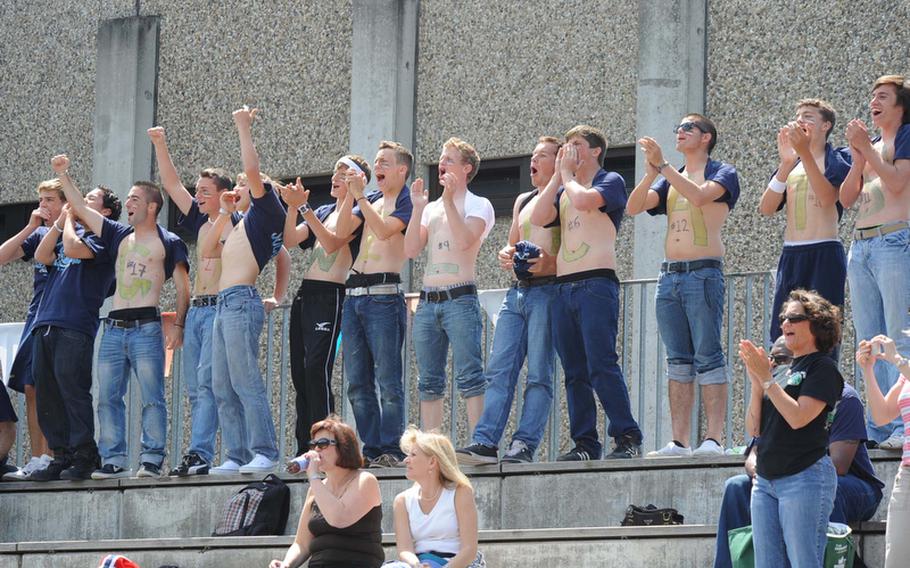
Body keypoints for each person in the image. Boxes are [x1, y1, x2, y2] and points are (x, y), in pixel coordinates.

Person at [51, 154, 190, 479]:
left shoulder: (169, 241)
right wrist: (64, 175)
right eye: (127, 199)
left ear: (152, 207)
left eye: (135, 199)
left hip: (146, 326)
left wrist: (180, 325)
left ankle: (152, 460)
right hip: (112, 327)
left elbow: (184, 288)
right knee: (109, 398)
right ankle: (113, 460)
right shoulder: (116, 234)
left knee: (152, 398)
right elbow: (82, 209)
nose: (128, 203)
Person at [714, 339, 883, 568]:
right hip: (781, 476)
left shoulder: (844, 396)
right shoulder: (774, 396)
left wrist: (789, 476)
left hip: (853, 485)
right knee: (736, 487)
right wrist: (758, 468)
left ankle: (842, 561)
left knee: (821, 485)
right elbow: (755, 448)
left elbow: (840, 465)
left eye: (782, 360)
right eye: (771, 361)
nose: (773, 367)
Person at [627, 113, 740, 457]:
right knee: (677, 360)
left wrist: (663, 168)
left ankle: (714, 438)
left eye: (688, 128)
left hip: (703, 273)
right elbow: (633, 207)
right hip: (670, 275)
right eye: (678, 128)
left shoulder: (723, 172)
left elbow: (700, 196)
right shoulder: (668, 177)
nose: (680, 132)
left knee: (708, 355)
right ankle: (679, 440)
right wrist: (650, 173)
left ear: (706, 137)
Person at [529, 125, 643, 460]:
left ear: (594, 151)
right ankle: (584, 443)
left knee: (601, 364)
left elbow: (585, 200)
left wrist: (565, 173)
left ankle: (627, 435)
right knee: (574, 372)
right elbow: (538, 216)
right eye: (566, 145)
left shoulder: (609, 181)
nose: (569, 149)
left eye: (576, 144)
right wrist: (557, 177)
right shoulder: (564, 188)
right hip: (564, 288)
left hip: (596, 284)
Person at [457, 136, 561, 465]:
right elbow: (513, 243)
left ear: (557, 162)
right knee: (499, 370)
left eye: (542, 155)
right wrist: (507, 252)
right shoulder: (522, 199)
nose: (534, 160)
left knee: (539, 375)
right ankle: (485, 441)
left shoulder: (564, 195)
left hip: (549, 290)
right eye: (533, 154)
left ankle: (524, 444)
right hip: (517, 292)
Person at [149, 126, 243, 476]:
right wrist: (160, 143)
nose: (198, 195)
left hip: (220, 308)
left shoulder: (233, 221)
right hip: (198, 313)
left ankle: (201, 452)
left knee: (209, 384)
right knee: (194, 387)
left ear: (223, 194)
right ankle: (199, 452)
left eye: (205, 191)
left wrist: (276, 295)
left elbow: (277, 254)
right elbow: (172, 185)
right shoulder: (202, 221)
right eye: (198, 191)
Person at [201, 106, 285, 475]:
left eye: (242, 185)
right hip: (223, 304)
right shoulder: (236, 221)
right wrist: (223, 210)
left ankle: (264, 450)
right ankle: (235, 455)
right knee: (221, 384)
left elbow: (252, 170)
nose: (237, 188)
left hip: (240, 301)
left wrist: (242, 126)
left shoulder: (266, 213)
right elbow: (207, 251)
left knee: (245, 379)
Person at [739, 289, 843, 567]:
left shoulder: (823, 368)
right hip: (766, 481)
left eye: (794, 318)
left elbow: (799, 418)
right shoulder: (781, 371)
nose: (785, 324)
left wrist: (767, 380)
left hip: (804, 476)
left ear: (817, 324)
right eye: (783, 318)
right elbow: (754, 428)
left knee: (804, 562)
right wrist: (755, 381)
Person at [28, 174, 122, 481]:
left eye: (90, 199)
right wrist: (60, 223)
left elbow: (71, 249)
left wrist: (69, 221)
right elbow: (43, 256)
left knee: (72, 390)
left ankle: (84, 453)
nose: (80, 202)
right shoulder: (68, 230)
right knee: (47, 394)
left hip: (74, 325)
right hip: (46, 323)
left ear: (105, 212)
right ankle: (60, 454)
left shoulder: (103, 240)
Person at [404, 138, 494, 433]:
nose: (442, 165)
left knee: (470, 375)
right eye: (442, 160)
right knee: (428, 380)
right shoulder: (431, 208)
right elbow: (411, 249)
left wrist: (448, 201)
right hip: (428, 302)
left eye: (450, 160)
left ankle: (479, 440)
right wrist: (418, 208)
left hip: (460, 299)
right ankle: (432, 446)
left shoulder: (479, 204)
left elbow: (465, 240)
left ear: (467, 168)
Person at [334, 141, 414, 468]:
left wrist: (361, 197)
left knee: (388, 381)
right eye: (376, 161)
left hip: (384, 295)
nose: (377, 167)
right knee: (356, 382)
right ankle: (371, 448)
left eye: (384, 162)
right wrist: (350, 197)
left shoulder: (406, 200)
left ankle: (393, 449)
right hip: (353, 297)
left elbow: (383, 232)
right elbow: (339, 232)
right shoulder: (372, 199)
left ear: (401, 170)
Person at [840, 75, 910, 448]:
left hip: (896, 239)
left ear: (900, 105)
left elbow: (898, 183)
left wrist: (867, 148)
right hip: (862, 245)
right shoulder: (872, 147)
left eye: (883, 96)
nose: (874, 101)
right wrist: (859, 157)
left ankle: (904, 423)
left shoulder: (906, 137)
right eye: (872, 95)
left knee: (900, 335)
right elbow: (848, 198)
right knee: (870, 339)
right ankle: (880, 426)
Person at [281, 155, 367, 457]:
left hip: (332, 295)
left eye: (345, 173)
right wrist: (293, 206)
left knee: (317, 369)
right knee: (301, 374)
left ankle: (326, 443)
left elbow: (333, 242)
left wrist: (304, 208)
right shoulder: (324, 209)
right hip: (306, 294)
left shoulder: (358, 210)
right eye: (335, 171)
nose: (336, 176)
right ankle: (304, 445)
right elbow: (291, 239)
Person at [759, 99, 851, 348]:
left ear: (826, 126)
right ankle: (783, 384)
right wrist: (786, 163)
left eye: (809, 117)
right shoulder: (792, 164)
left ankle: (822, 383)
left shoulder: (838, 158)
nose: (801, 121)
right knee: (782, 329)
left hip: (824, 251)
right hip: (791, 253)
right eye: (798, 116)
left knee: (823, 328)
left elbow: (828, 198)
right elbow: (766, 208)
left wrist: (806, 154)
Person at [0, 178, 67, 480]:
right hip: (35, 318)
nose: (44, 206)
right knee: (30, 387)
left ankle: (55, 455)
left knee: (55, 389)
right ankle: (38, 456)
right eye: (41, 199)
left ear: (66, 203)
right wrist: (29, 227)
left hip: (62, 322)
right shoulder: (38, 233)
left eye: (50, 200)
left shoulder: (77, 234)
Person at [270, 416, 383, 568]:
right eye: (313, 444)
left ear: (344, 447)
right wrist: (286, 564)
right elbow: (302, 544)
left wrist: (314, 477)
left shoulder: (365, 480)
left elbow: (338, 518)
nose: (316, 449)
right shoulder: (316, 489)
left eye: (322, 444)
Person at [387, 428, 483, 568]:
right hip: (420, 563)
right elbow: (405, 550)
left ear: (432, 462)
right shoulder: (402, 500)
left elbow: (469, 550)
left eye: (413, 455)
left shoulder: (460, 492)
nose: (406, 460)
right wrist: (417, 565)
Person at [855, 333, 910, 568]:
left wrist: (897, 359)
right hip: (907, 476)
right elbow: (882, 415)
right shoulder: (906, 373)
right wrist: (868, 371)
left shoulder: (904, 366)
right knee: (897, 560)